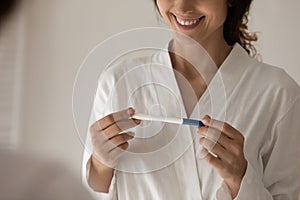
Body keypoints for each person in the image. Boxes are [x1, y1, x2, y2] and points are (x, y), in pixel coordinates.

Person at [82, 0, 300, 199]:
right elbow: (96, 188)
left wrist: (240, 179)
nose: (183, 6)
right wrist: (101, 160)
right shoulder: (118, 81)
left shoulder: (278, 93)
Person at [0, 1, 93, 199]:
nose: (178, 5)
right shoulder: (47, 188)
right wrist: (102, 160)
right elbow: (98, 180)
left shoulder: (45, 186)